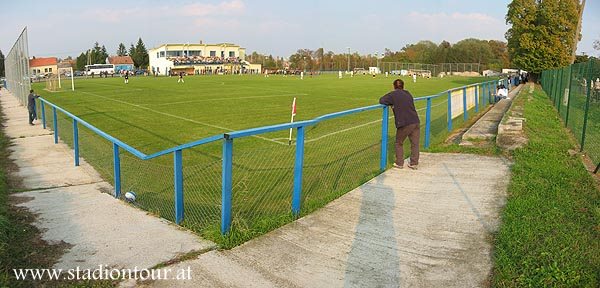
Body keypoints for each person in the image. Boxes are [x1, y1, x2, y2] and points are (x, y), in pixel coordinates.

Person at [379, 79, 420, 170]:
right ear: (403, 86)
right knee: (415, 143)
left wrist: (392, 103)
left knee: (398, 142)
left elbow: (381, 100)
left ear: (394, 86)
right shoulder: (408, 93)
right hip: (415, 121)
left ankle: (399, 163)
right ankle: (414, 163)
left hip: (404, 123)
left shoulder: (393, 94)